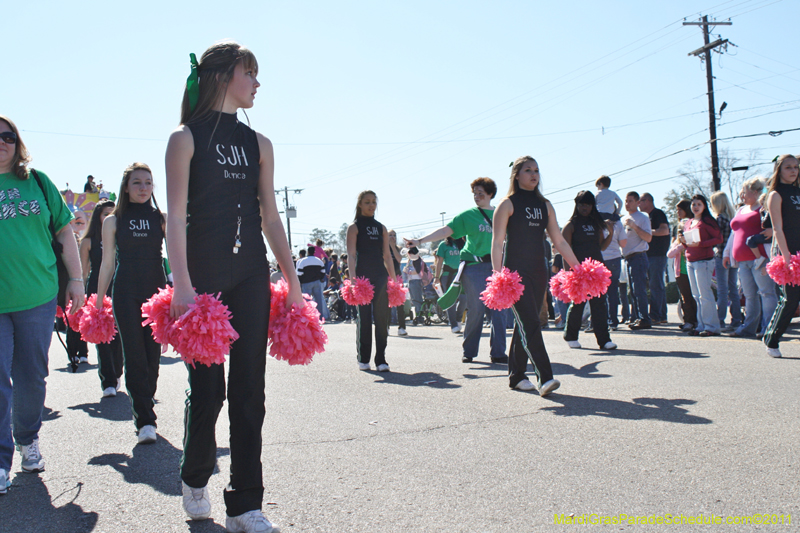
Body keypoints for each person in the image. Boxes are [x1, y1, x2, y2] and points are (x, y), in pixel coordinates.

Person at [165, 42, 303, 531]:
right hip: (199, 281)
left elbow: (269, 215)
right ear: (224, 76)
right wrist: (181, 284)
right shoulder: (185, 138)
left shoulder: (260, 144)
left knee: (250, 391)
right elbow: (176, 218)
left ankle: (246, 502)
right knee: (208, 391)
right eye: (251, 73)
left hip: (250, 278)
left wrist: (291, 279)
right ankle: (196, 474)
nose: (257, 83)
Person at [0, 115, 84, 490]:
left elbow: (65, 232)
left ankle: (28, 440)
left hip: (37, 295)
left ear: (18, 143)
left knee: (32, 375)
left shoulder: (37, 181)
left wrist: (77, 280)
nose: (1, 142)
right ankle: (1, 460)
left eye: (7, 136)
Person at [490, 156, 580, 394]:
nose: (534, 174)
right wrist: (497, 277)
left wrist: (577, 267)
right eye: (528, 170)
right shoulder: (507, 204)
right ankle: (545, 377)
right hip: (513, 275)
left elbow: (558, 240)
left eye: (537, 170)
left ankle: (517, 376)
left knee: (525, 324)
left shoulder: (545, 205)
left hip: (538, 271)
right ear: (516, 175)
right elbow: (497, 243)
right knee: (530, 321)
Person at [95, 163, 167, 443]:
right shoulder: (112, 221)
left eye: (148, 183)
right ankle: (145, 420)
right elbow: (107, 264)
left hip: (156, 295)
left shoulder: (161, 217)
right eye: (137, 182)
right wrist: (100, 300)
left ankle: (144, 400)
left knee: (153, 358)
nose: (143, 188)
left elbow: (175, 255)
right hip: (125, 292)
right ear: (126, 187)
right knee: (134, 355)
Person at [405, 178, 508, 364]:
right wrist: (420, 242)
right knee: (476, 309)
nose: (477, 196)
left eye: (480, 192)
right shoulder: (468, 215)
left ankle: (499, 353)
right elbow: (446, 231)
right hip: (474, 267)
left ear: (491, 193)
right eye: (474, 193)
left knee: (499, 311)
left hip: (497, 268)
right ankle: (469, 351)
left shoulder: (502, 213)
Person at [346, 191, 396, 371]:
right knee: (364, 319)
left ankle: (381, 359)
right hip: (362, 279)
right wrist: (352, 281)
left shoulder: (381, 227)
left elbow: (387, 256)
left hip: (380, 277)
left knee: (382, 319)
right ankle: (363, 358)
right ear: (360, 204)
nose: (371, 205)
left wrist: (394, 280)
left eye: (374, 202)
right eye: (367, 202)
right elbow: (351, 255)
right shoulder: (354, 227)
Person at [560, 191, 617, 350]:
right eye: (581, 204)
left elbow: (601, 246)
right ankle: (570, 335)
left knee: (599, 305)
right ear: (576, 205)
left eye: (588, 204)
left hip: (596, 272)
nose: (584, 207)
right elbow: (565, 250)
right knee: (578, 304)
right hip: (577, 271)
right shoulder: (570, 225)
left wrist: (610, 232)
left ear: (593, 206)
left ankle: (604, 340)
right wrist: (567, 274)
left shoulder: (596, 223)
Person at [80, 200, 124, 398]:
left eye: (112, 213)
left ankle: (117, 372)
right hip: (96, 290)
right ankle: (108, 380)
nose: (108, 217)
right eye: (105, 213)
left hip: (121, 288)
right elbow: (82, 271)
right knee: (102, 337)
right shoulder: (88, 241)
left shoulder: (122, 236)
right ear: (98, 215)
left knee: (120, 337)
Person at [724, 177, 777, 338]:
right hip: (742, 260)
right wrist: (727, 253)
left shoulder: (764, 208)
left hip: (760, 258)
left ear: (754, 192)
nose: (742, 195)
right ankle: (748, 327)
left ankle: (769, 327)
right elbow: (734, 234)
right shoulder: (740, 210)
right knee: (749, 295)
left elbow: (776, 226)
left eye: (744, 192)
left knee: (766, 292)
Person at [762, 155, 800, 357]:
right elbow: (776, 227)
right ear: (779, 170)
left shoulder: (798, 191)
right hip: (788, 252)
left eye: (796, 167)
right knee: (790, 299)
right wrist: (786, 256)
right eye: (788, 167)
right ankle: (771, 339)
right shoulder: (776, 194)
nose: (793, 171)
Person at [680, 194, 722, 336]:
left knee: (705, 294)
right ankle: (701, 325)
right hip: (690, 260)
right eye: (693, 204)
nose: (696, 207)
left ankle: (712, 327)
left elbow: (718, 238)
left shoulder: (707, 221)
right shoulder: (688, 222)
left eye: (699, 204)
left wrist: (702, 244)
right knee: (696, 295)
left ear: (704, 206)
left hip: (704, 260)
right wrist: (683, 241)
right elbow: (688, 242)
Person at [710, 191, 742, 332]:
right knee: (733, 289)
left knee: (722, 290)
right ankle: (736, 320)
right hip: (733, 255)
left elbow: (717, 239)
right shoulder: (732, 218)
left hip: (721, 255)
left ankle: (720, 321)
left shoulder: (719, 219)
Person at [621, 192, 652, 330]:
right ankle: (636, 317)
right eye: (626, 201)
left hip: (638, 256)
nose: (627, 204)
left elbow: (648, 237)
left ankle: (644, 318)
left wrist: (634, 227)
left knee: (639, 290)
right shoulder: (624, 218)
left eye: (630, 201)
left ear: (637, 202)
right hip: (627, 258)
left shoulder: (642, 218)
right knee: (632, 291)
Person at [638, 193, 670, 325]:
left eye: (641, 201)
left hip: (658, 255)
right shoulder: (646, 217)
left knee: (655, 285)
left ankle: (656, 315)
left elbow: (665, 230)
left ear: (649, 201)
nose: (639, 203)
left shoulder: (657, 214)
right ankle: (661, 315)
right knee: (656, 285)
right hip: (649, 254)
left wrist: (647, 232)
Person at [667, 200, 698, 332]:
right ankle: (688, 320)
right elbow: (670, 253)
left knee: (695, 295)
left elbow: (696, 244)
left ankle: (698, 320)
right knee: (685, 296)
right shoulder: (677, 230)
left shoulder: (694, 224)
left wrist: (687, 243)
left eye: (680, 209)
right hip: (680, 269)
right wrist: (681, 244)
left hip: (694, 265)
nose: (678, 212)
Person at [66, 210, 89, 365]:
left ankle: (83, 352)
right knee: (70, 321)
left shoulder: (85, 246)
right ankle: (72, 352)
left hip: (83, 286)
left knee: (82, 321)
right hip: (69, 285)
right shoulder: (65, 247)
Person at [434, 236, 465, 333]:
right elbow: (439, 262)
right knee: (451, 300)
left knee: (464, 299)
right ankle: (453, 324)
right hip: (448, 275)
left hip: (461, 274)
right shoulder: (443, 245)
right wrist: (436, 277)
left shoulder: (463, 243)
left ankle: (458, 318)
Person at [601, 215, 626, 330]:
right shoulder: (617, 224)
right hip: (615, 258)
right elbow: (623, 243)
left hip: (601, 257)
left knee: (601, 292)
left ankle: (603, 319)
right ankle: (613, 320)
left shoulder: (597, 222)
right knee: (613, 291)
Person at [387, 230, 408, 336]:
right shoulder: (383, 248)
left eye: (394, 235)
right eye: (390, 235)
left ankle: (402, 327)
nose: (392, 237)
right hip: (387, 278)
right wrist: (388, 246)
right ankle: (386, 326)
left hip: (398, 278)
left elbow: (399, 260)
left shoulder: (398, 249)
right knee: (386, 305)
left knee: (400, 304)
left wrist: (393, 246)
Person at [296, 245, 327, 318]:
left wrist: (301, 281)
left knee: (306, 301)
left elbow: (299, 273)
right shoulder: (319, 260)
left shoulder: (303, 261)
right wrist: (320, 278)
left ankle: (307, 317)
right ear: (314, 252)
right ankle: (320, 317)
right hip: (317, 282)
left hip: (306, 283)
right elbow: (323, 272)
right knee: (318, 300)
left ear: (308, 252)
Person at [403, 246, 431, 325]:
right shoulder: (411, 261)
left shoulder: (418, 261)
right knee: (415, 299)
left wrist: (408, 272)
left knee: (417, 299)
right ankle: (420, 315)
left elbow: (418, 271)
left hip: (416, 281)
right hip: (412, 281)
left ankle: (420, 316)